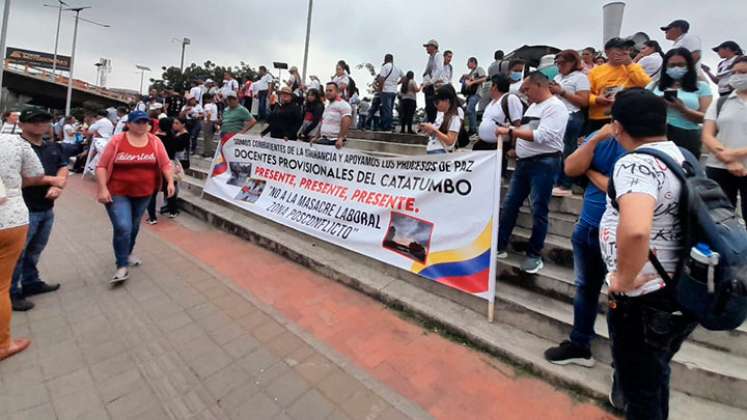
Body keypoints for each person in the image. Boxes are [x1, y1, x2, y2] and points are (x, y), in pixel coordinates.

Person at [600, 88, 698, 419]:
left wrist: (623, 282)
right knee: (654, 377)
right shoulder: (681, 156)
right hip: (676, 287)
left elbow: (637, 228)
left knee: (639, 392)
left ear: (616, 127)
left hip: (645, 296)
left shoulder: (636, 163)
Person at [544, 124, 626, 367]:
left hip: (621, 234)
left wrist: (589, 171)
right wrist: (596, 138)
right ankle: (580, 344)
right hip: (588, 227)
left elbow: (617, 188)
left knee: (624, 299)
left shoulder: (642, 149)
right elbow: (570, 167)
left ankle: (623, 366)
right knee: (585, 289)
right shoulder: (603, 137)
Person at [495, 72, 569, 274]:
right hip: (524, 163)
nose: (524, 93)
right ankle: (500, 245)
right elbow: (527, 131)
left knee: (538, 209)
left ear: (539, 85)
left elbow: (543, 136)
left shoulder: (555, 107)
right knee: (509, 205)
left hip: (544, 163)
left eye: (527, 89)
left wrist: (511, 132)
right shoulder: (534, 107)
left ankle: (534, 254)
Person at [95, 111, 175, 283]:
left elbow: (165, 163)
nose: (142, 125)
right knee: (123, 226)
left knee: (134, 226)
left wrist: (170, 182)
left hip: (144, 192)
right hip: (117, 191)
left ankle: (128, 252)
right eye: (138, 122)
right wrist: (102, 188)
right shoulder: (117, 141)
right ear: (129, 124)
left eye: (145, 122)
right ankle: (121, 265)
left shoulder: (155, 141)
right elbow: (101, 166)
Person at [9, 110, 66, 312]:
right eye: (34, 121)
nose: (40, 124)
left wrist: (58, 185)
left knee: (35, 250)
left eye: (45, 120)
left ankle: (31, 282)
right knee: (17, 253)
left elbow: (63, 167)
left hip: (46, 208)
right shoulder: (14, 148)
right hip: (22, 211)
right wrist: (50, 180)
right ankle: (11, 293)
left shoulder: (52, 146)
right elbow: (12, 179)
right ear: (22, 124)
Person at [0, 131, 44, 361]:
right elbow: (36, 173)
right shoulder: (13, 142)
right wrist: (15, 185)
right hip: (10, 218)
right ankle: (3, 344)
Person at [702, 56, 747, 219]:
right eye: (734, 72)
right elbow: (707, 135)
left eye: (743, 72)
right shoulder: (721, 102)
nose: (737, 76)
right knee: (719, 218)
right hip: (719, 167)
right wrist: (728, 159)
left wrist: (733, 155)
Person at [648, 48, 712, 159]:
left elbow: (706, 118)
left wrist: (683, 109)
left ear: (689, 66)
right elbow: (640, 109)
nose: (676, 68)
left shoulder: (701, 87)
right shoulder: (654, 86)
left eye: (681, 65)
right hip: (656, 135)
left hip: (687, 137)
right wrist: (658, 105)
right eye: (672, 65)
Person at [587, 37, 651, 134]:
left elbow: (647, 84)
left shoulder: (634, 67)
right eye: (619, 49)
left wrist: (629, 64)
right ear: (607, 52)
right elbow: (586, 95)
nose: (624, 52)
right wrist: (596, 99)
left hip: (628, 116)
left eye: (626, 49)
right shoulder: (594, 72)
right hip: (601, 117)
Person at [551, 50, 590, 197]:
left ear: (573, 62)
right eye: (558, 63)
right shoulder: (557, 77)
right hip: (556, 116)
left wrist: (562, 92)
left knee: (568, 150)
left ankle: (566, 183)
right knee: (556, 150)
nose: (560, 66)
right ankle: (556, 181)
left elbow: (583, 101)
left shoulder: (580, 78)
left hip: (572, 115)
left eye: (563, 63)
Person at [475, 74, 524, 155]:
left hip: (500, 147)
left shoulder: (510, 99)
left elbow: (518, 125)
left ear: (495, 86)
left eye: (489, 84)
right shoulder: (490, 103)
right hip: (484, 146)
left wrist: (514, 148)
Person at [418, 86, 462, 154]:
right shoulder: (441, 115)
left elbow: (450, 141)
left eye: (437, 102)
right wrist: (427, 129)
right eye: (434, 102)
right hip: (433, 149)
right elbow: (437, 134)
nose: (435, 105)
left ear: (447, 101)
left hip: (441, 151)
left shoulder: (455, 117)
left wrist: (433, 130)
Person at [314, 82, 352, 149]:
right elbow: (323, 122)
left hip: (334, 142)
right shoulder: (328, 106)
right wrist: (316, 137)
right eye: (326, 90)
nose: (328, 92)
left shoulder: (343, 104)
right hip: (324, 140)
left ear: (337, 91)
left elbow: (346, 121)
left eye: (330, 90)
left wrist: (340, 138)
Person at [375, 54, 404, 132]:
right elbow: (404, 78)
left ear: (385, 59)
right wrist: (397, 83)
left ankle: (386, 126)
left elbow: (381, 79)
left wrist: (380, 89)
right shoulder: (398, 68)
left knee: (386, 109)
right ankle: (389, 125)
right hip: (394, 91)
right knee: (390, 109)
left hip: (386, 90)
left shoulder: (385, 67)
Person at [460, 57, 487, 136]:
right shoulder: (471, 73)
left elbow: (484, 78)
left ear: (473, 62)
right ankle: (473, 129)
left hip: (476, 93)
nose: (467, 65)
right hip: (470, 94)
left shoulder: (479, 69)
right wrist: (464, 77)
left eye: (468, 63)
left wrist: (473, 82)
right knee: (471, 111)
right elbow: (461, 81)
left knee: (469, 109)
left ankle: (474, 130)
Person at [422, 39, 445, 123]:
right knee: (429, 107)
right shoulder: (431, 57)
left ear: (433, 47)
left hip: (436, 84)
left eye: (428, 46)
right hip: (430, 85)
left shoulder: (438, 55)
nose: (426, 48)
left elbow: (439, 70)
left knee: (434, 107)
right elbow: (427, 71)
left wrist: (431, 82)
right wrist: (425, 83)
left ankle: (435, 126)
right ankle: (431, 125)